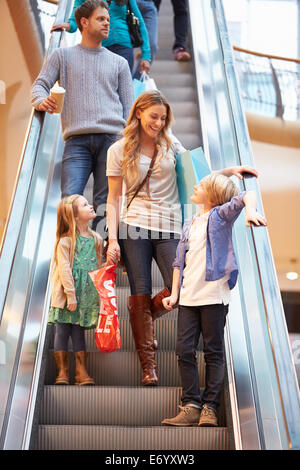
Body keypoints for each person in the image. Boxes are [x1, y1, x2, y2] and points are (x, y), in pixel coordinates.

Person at [105, 89, 259, 387]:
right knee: (139, 289)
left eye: (163, 118)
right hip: (133, 226)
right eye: (153, 117)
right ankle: (149, 366)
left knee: (178, 285)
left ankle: (140, 316)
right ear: (138, 113)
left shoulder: (170, 143)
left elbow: (196, 174)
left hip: (170, 226)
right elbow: (113, 199)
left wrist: (229, 171)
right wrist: (113, 240)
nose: (158, 124)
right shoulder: (119, 150)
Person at [161, 173, 267, 427]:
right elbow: (179, 263)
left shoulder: (220, 216)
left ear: (213, 194)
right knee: (184, 350)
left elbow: (245, 195)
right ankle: (191, 405)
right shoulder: (190, 223)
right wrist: (174, 293)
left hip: (213, 297)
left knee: (213, 352)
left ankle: (210, 407)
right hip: (188, 298)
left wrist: (250, 212)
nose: (196, 185)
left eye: (202, 185)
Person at [32, 0, 134, 238]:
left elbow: (130, 111)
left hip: (112, 142)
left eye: (108, 19)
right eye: (101, 19)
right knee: (69, 200)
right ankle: (69, 256)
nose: (107, 23)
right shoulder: (62, 56)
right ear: (84, 23)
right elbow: (39, 85)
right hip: (75, 142)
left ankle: (101, 259)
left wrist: (129, 147)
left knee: (104, 204)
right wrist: (41, 101)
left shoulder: (119, 63)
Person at [49, 194, 104, 386]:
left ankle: (81, 373)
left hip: (86, 294)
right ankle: (62, 372)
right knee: (62, 330)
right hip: (67, 294)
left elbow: (98, 268)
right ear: (74, 215)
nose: (90, 206)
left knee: (79, 332)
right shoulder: (65, 242)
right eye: (85, 205)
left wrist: (100, 295)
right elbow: (64, 269)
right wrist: (70, 295)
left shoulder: (97, 239)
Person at [51, 0, 151, 75]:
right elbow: (75, 21)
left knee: (123, 90)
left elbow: (140, 22)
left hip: (124, 47)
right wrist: (67, 25)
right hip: (100, 48)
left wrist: (146, 55)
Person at [133, 0, 158, 79]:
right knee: (124, 46)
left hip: (148, 5)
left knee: (151, 46)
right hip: (126, 5)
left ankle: (134, 84)